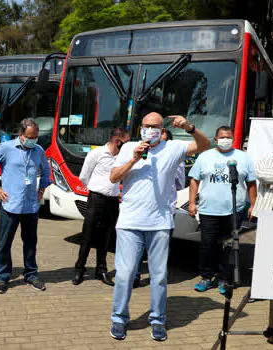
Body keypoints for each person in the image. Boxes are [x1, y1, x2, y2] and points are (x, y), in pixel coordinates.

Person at [109, 112, 211, 342]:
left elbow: (205, 145)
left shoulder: (173, 148)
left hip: (160, 224)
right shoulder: (128, 148)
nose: (149, 130)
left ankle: (157, 320)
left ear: (161, 129)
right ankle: (119, 318)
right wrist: (134, 159)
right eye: (146, 126)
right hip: (129, 223)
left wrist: (189, 127)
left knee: (159, 276)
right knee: (124, 275)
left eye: (154, 126)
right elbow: (114, 178)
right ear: (140, 128)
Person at [0, 118, 51, 294]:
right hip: (10, 204)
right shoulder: (7, 148)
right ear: (20, 134)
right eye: (29, 136)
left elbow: (46, 170)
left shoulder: (38, 150)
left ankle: (31, 274)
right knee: (4, 243)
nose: (33, 140)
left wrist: (42, 188)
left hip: (31, 206)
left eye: (35, 137)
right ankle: (2, 277)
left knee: (30, 243)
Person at [188, 126, 257, 294]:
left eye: (229, 137)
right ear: (216, 139)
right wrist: (191, 202)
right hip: (208, 210)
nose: (226, 140)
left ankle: (224, 278)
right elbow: (194, 180)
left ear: (233, 139)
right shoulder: (205, 157)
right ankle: (206, 276)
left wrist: (254, 205)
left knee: (229, 245)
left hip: (234, 210)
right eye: (222, 137)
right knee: (207, 245)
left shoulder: (243, 158)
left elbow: (251, 183)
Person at [72, 128, 130, 286]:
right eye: (127, 141)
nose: (129, 144)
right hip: (96, 198)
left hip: (113, 200)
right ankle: (80, 269)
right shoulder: (97, 153)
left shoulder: (123, 157)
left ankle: (101, 270)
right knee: (88, 235)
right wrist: (96, 188)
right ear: (118, 141)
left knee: (106, 236)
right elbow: (84, 176)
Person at [133, 128, 185, 288]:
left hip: (163, 211)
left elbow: (179, 184)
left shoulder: (175, 159)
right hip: (140, 209)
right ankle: (134, 275)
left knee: (159, 249)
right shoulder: (140, 153)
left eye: (161, 136)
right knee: (137, 247)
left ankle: (157, 277)